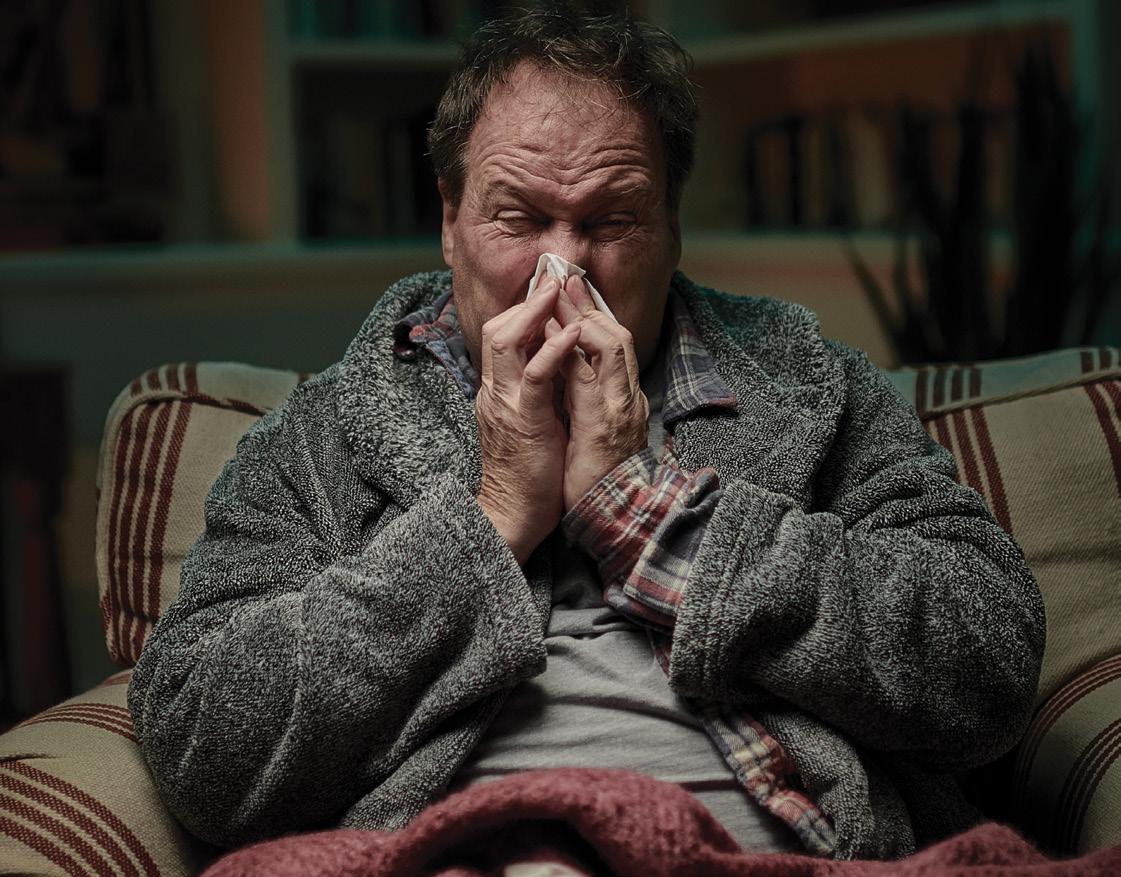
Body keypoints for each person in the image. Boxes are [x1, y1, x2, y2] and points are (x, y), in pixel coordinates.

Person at [128, 5, 1045, 861]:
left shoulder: (812, 384)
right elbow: (205, 746)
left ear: (671, 227)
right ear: (449, 221)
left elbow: (989, 664)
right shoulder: (317, 436)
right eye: (518, 217)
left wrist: (651, 516)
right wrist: (489, 520)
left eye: (611, 220)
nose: (563, 271)